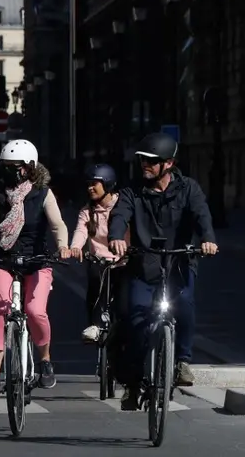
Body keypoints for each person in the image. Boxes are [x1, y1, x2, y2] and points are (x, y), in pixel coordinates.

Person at [108, 132, 218, 410]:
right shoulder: (132, 191)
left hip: (178, 263)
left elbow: (201, 214)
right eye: (143, 160)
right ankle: (132, 384)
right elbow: (120, 214)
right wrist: (117, 236)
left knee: (184, 304)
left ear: (168, 164)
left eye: (151, 162)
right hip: (143, 265)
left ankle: (182, 362)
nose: (145, 165)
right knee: (134, 319)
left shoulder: (188, 188)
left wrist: (208, 239)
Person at [0, 139, 70, 395]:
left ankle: (45, 361)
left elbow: (57, 225)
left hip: (36, 261)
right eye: (7, 166)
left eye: (18, 166)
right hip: (2, 259)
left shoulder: (43, 193)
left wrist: (63, 247)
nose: (12, 171)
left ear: (30, 167)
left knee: (35, 311)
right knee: (0, 310)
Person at [69, 164, 128, 343]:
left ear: (108, 184)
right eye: (88, 184)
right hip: (99, 262)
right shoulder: (87, 211)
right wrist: (76, 247)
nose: (90, 188)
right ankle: (94, 324)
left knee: (125, 304)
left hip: (123, 262)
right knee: (95, 285)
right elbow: (80, 231)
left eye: (95, 184)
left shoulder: (123, 207)